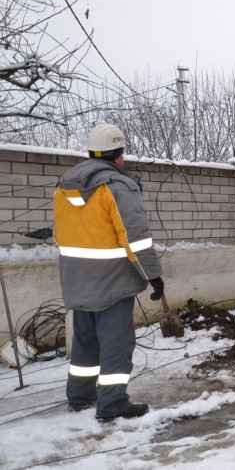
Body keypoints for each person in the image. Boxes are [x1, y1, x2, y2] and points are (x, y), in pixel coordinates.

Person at [53, 123, 164, 422]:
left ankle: (79, 397)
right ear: (119, 154)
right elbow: (135, 237)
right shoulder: (116, 186)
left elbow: (60, 234)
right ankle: (112, 404)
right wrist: (153, 275)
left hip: (77, 281)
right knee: (116, 343)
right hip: (113, 283)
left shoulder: (65, 185)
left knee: (85, 341)